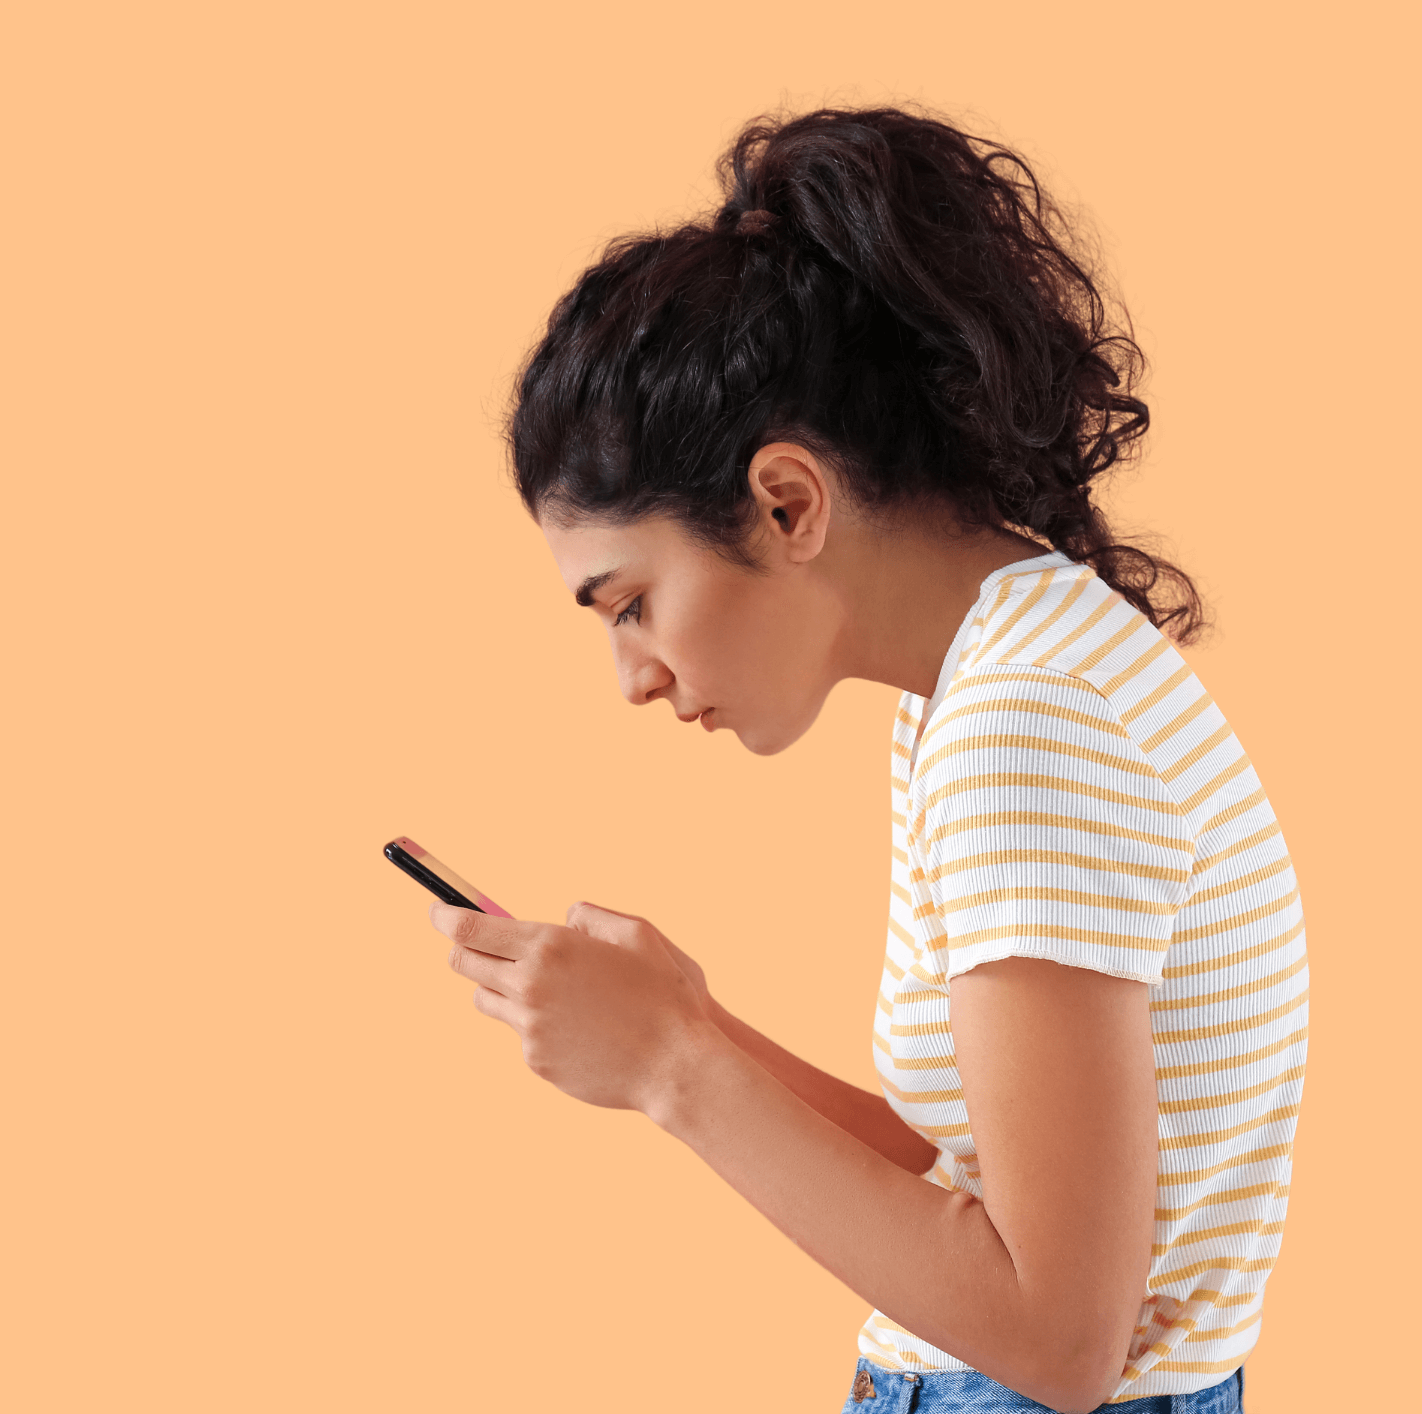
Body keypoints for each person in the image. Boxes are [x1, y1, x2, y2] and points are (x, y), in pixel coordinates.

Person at [428, 106, 1307, 1414]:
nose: (636, 676)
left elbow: (1059, 1335)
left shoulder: (1026, 727)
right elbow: (971, 1170)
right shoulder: (1016, 657)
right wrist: (692, 1019)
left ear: (787, 503)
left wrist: (675, 1067)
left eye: (630, 602)